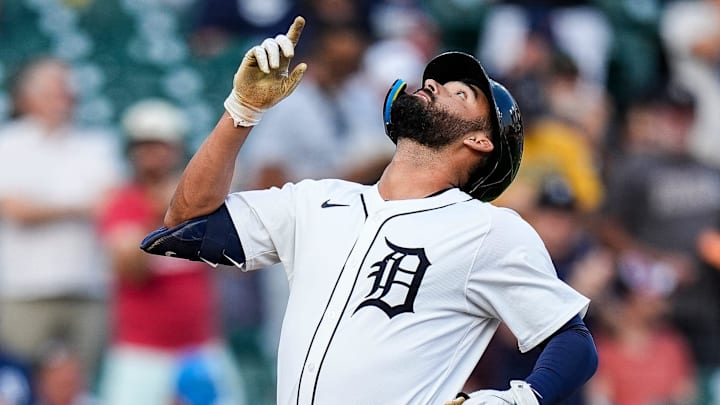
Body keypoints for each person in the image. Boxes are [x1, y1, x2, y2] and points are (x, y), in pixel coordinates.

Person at [141, 17, 598, 404]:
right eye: (436, 81)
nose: (434, 85)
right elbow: (186, 221)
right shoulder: (316, 200)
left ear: (480, 141)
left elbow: (573, 342)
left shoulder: (488, 229)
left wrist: (520, 399)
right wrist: (240, 110)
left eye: (461, 94)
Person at [96, 99, 245, 405]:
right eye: (145, 146)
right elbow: (130, 269)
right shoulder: (123, 201)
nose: (153, 155)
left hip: (201, 346)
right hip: (142, 351)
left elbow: (235, 263)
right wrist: (164, 212)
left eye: (161, 145)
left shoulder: (202, 202)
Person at [0, 58, 122, 377]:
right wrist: (81, 207)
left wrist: (46, 207)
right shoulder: (8, 143)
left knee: (82, 388)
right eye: (55, 87)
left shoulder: (96, 144)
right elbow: (15, 210)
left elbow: (113, 205)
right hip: (26, 290)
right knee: (18, 383)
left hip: (87, 288)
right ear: (28, 97)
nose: (66, 94)